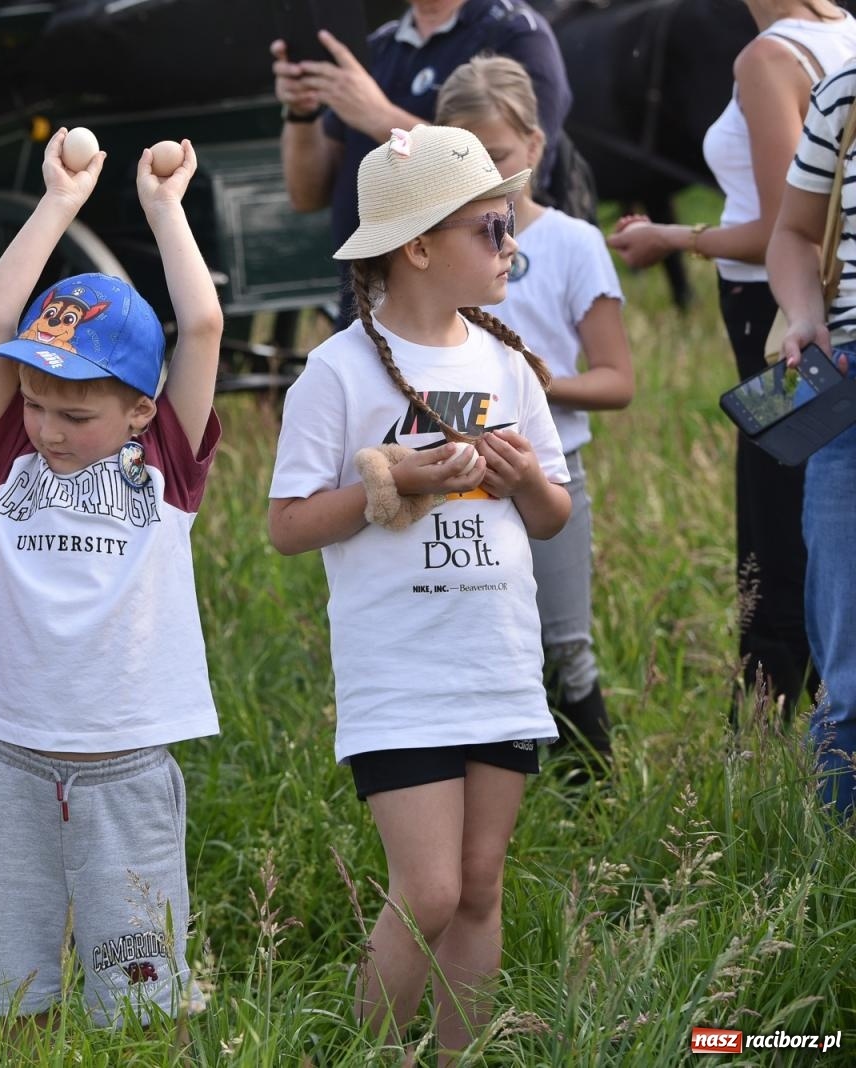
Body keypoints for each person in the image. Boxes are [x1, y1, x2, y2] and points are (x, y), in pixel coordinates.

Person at [267, 124, 570, 1062]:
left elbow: (554, 514)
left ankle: (456, 1057)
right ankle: (362, 1053)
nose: (511, 245)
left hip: (499, 662)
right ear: (420, 247)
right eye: (491, 228)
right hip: (400, 674)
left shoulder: (507, 363)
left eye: (510, 223)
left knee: (481, 886)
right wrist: (398, 482)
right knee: (429, 890)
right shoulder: (338, 370)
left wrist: (519, 479)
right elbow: (287, 524)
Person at [0, 131, 222, 1025]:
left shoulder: (165, 464)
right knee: (9, 993)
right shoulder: (10, 455)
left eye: (77, 412)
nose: (50, 428)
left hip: (125, 768)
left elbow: (202, 325)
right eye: (37, 402)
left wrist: (164, 211)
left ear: (140, 409)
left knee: (142, 999)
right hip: (11, 762)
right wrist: (59, 200)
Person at [608, 0, 856, 723]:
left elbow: (783, 230)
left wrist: (673, 236)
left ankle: (769, 732)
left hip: (779, 319)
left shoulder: (767, 58)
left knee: (776, 524)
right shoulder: (841, 32)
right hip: (808, 314)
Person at [436, 57, 634, 777]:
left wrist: (532, 382)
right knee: (475, 639)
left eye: (499, 155)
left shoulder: (573, 244)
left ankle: (590, 798)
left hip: (550, 472)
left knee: (563, 642)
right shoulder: (432, 251)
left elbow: (617, 380)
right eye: (465, 157)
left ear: (537, 146)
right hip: (450, 474)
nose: (485, 173)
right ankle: (489, 783)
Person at [272, 0, 573, 268]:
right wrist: (302, 111)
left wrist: (379, 117)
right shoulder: (379, 47)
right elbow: (306, 197)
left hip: (477, 304)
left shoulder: (517, 34)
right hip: (363, 304)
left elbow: (525, 176)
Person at [766, 56, 856, 819]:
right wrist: (805, 316)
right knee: (851, 675)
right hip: (849, 389)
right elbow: (793, 234)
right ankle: (828, 888)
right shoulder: (844, 89)